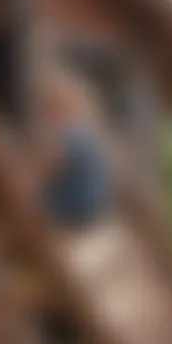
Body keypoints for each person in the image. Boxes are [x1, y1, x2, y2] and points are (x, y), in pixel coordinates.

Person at [37, 66, 111, 225]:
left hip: (74, 205)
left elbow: (53, 166)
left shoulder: (70, 133)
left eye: (50, 109)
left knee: (33, 197)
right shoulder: (86, 131)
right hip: (93, 205)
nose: (48, 117)